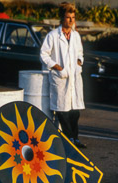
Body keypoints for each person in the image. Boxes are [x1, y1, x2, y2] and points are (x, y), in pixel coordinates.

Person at [40, 2, 86, 148]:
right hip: (60, 77)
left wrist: (79, 61)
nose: (71, 20)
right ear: (62, 18)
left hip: (74, 77)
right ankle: (70, 139)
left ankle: (75, 138)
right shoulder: (53, 35)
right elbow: (43, 54)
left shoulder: (76, 36)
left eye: (73, 17)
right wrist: (57, 66)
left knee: (75, 111)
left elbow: (80, 53)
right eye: (68, 17)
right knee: (62, 111)